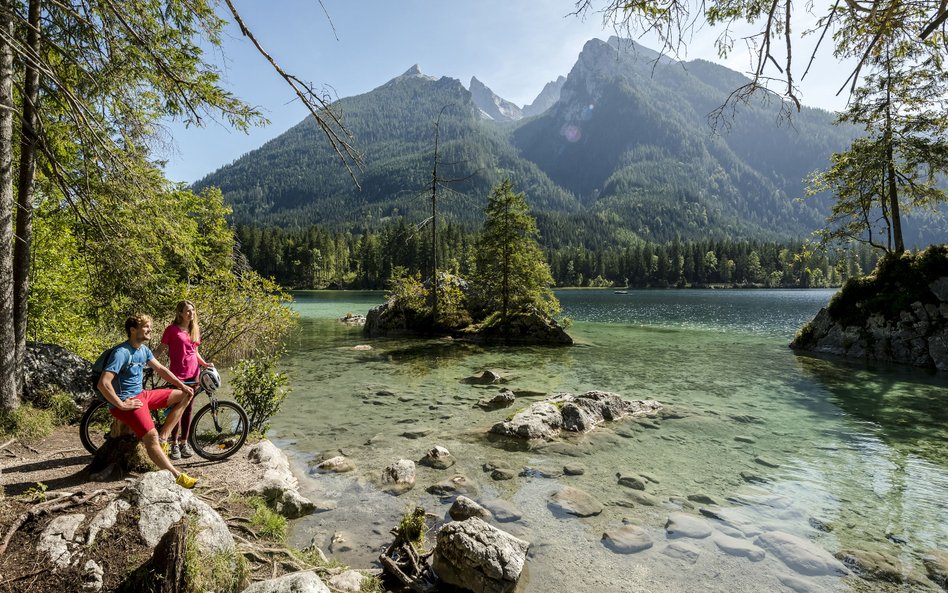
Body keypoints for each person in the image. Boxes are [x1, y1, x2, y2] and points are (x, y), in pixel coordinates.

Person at [97, 313, 198, 489]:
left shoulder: (143, 350)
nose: (150, 329)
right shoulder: (121, 353)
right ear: (132, 330)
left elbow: (161, 369)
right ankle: (177, 476)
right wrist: (120, 404)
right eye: (145, 326)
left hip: (142, 395)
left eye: (150, 326)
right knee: (150, 436)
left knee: (185, 395)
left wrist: (182, 386)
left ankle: (164, 437)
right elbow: (103, 383)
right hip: (127, 402)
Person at [154, 300, 211, 460]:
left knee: (188, 410)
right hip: (177, 376)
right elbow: (160, 349)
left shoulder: (194, 329)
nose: (190, 313)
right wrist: (147, 360)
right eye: (187, 311)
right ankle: (174, 444)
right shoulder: (171, 330)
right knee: (176, 410)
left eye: (192, 311)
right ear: (179, 313)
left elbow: (195, 352)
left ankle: (184, 442)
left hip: (194, 374)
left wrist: (205, 363)